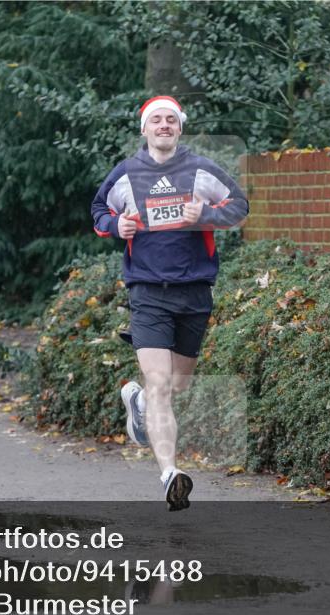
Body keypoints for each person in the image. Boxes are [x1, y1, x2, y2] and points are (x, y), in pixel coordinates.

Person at [91, 96, 249, 510]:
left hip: (195, 291)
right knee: (160, 383)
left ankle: (138, 402)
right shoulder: (126, 173)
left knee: (177, 385)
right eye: (155, 120)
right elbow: (98, 210)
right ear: (144, 129)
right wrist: (115, 224)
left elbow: (239, 206)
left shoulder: (200, 170)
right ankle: (169, 474)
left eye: (170, 120)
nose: (163, 126)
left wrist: (206, 216)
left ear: (179, 128)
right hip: (147, 292)